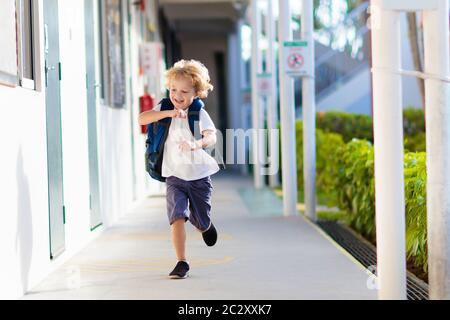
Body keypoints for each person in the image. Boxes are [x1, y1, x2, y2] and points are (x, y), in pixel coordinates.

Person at [138, 59, 220, 279]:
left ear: (196, 93)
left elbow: (211, 136)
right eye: (174, 89)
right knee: (177, 217)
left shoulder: (197, 112)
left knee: (200, 217)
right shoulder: (165, 107)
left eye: (184, 91)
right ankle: (181, 262)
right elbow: (142, 118)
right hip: (174, 175)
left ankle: (205, 224)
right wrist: (168, 114)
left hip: (199, 176)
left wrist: (197, 144)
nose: (177, 95)